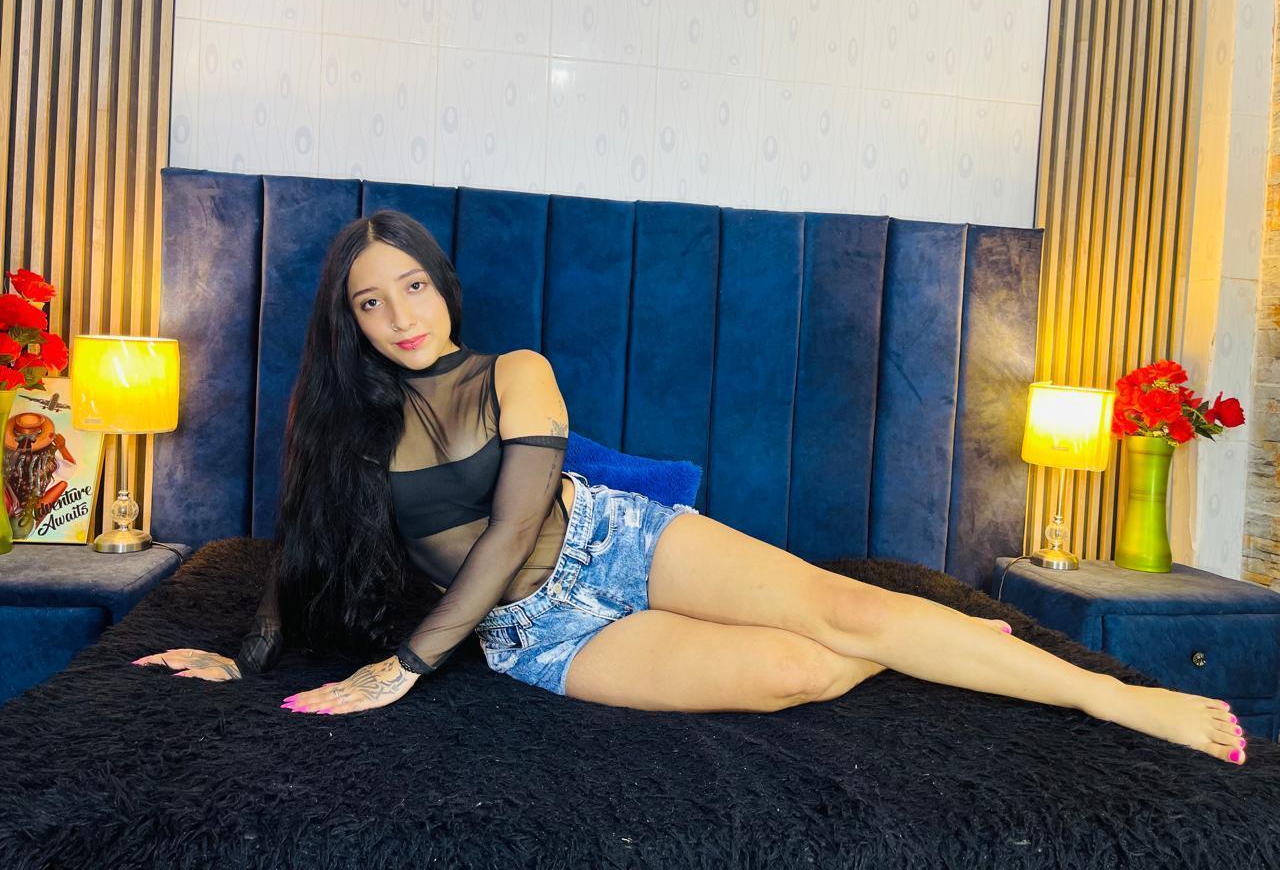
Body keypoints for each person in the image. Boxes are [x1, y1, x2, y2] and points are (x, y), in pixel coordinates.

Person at [133, 210, 1248, 767]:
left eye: (413, 286)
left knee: (848, 606)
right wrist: (243, 657)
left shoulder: (516, 373)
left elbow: (516, 523)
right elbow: (304, 549)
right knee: (795, 666)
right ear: (350, 322)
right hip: (532, 629)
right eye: (371, 302)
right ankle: (940, 640)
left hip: (612, 540)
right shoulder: (342, 425)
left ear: (443, 286)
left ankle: (1107, 696)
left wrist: (407, 664)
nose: (400, 315)